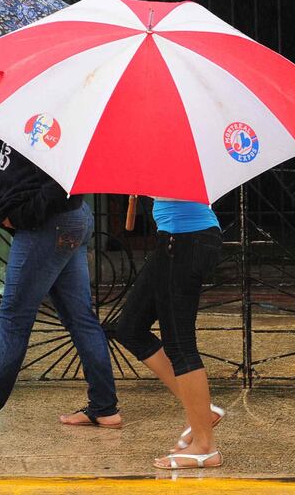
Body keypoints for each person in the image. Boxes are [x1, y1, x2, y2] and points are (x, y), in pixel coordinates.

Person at [0, 129, 121, 431]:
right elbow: (21, 171)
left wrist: (21, 217)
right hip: (63, 221)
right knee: (79, 317)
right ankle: (104, 407)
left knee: (14, 318)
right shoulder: (29, 114)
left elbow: (63, 181)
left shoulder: (58, 114)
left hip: (47, 226)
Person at [113, 197, 224, 469]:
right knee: (130, 328)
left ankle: (205, 448)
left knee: (180, 345)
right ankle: (204, 413)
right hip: (173, 239)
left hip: (186, 239)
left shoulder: (174, 154)